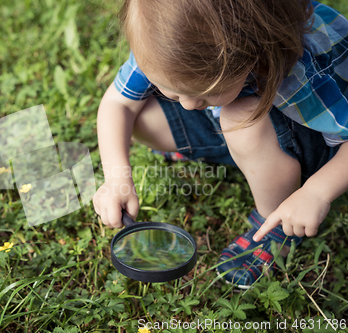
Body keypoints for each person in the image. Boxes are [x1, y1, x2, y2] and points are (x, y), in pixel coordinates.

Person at [92, 0, 348, 288]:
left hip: (313, 140)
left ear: (252, 55)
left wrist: (316, 192)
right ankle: (242, 153)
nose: (188, 106)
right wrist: (116, 178)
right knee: (141, 118)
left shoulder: (304, 70)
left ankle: (275, 225)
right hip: (233, 122)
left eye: (205, 93)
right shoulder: (164, 37)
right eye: (175, 93)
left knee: (240, 116)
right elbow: (119, 105)